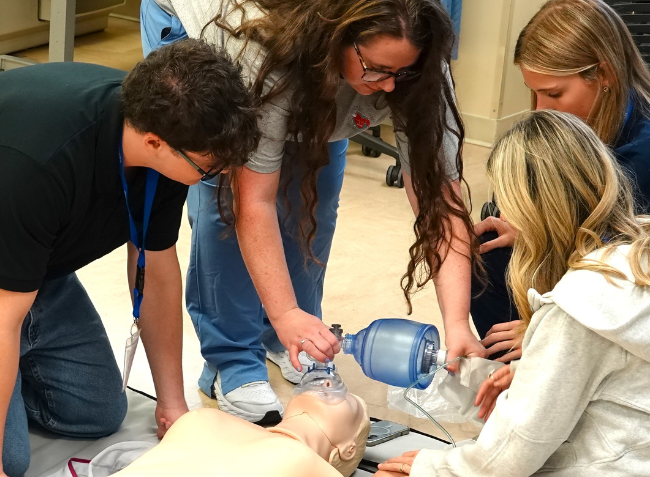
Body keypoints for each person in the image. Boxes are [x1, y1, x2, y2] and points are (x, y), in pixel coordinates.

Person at [0, 39, 260, 477]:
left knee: (97, 413)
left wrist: (173, 404)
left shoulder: (176, 132)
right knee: (1, 457)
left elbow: (154, 269)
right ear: (155, 142)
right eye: (211, 168)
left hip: (30, 267)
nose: (219, 174)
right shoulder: (38, 160)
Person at [141, 0, 486, 423]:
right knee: (225, 206)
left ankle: (288, 338)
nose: (391, 87)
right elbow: (254, 203)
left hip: (312, 68)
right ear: (338, 37)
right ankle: (231, 362)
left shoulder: (420, 67)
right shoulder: (256, 50)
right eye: (377, 69)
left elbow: (441, 205)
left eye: (402, 72)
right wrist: (285, 312)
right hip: (208, 26)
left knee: (312, 204)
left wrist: (457, 323)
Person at [375, 110, 650, 476]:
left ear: (532, 209)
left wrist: (435, 468)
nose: (502, 216)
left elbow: (512, 455)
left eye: (507, 205)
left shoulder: (580, 306)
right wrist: (534, 367)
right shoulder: (636, 252)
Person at [471, 0, 650, 362]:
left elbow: (624, 273)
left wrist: (549, 327)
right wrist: (529, 228)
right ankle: (520, 376)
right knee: (487, 255)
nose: (540, 107)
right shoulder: (580, 130)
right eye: (533, 91)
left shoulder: (641, 154)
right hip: (590, 250)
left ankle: (546, 370)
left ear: (605, 74)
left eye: (553, 94)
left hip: (627, 283)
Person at [112, 384, 370, 476]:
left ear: (347, 450)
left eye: (347, 399)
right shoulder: (214, 418)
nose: (328, 382)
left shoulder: (310, 464)